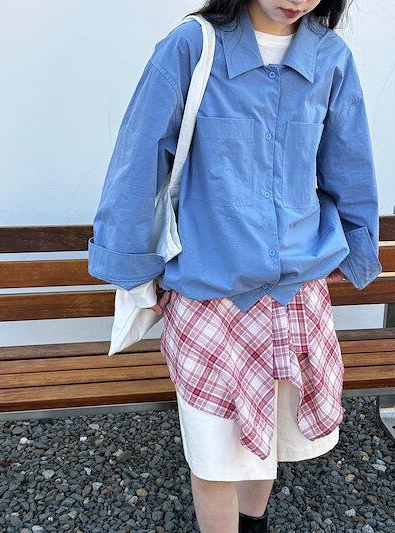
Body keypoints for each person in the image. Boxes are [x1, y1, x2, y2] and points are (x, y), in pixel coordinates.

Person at [88, 1, 382, 531]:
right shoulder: (192, 46)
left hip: (296, 291)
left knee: (270, 439)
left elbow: (349, 159)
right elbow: (139, 154)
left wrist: (359, 245)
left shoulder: (331, 56)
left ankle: (254, 523)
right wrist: (129, 257)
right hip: (210, 289)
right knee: (213, 453)